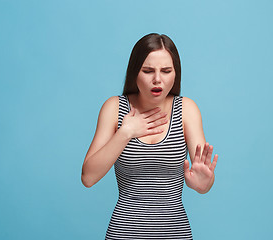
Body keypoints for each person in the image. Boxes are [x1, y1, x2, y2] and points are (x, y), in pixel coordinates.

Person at [81, 33, 218, 239]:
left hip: (175, 234)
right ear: (135, 72)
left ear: (175, 74)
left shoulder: (187, 110)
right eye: (147, 71)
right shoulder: (115, 108)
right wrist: (126, 132)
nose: (157, 79)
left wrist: (204, 183)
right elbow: (88, 177)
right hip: (124, 233)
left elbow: (203, 183)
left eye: (166, 71)